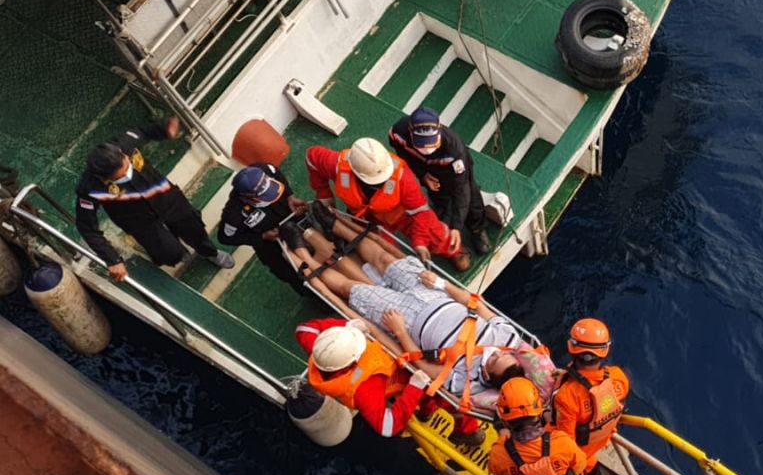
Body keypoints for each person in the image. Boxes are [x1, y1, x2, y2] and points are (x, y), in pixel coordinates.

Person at [282, 219, 522, 363]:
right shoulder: (509, 338)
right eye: (504, 357)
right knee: (387, 260)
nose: (498, 355)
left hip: (409, 323)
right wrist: (441, 284)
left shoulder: (466, 381)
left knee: (354, 289)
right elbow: (476, 304)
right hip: (435, 295)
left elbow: (422, 366)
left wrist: (400, 332)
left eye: (497, 362)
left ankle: (304, 252)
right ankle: (332, 224)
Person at [76, 117, 234, 282]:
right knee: (170, 253)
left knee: (194, 229)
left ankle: (208, 252)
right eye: (121, 177)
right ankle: (179, 254)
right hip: (140, 222)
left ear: (122, 154)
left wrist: (165, 129)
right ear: (103, 178)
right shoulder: (89, 188)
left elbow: (144, 131)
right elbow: (86, 227)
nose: (128, 175)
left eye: (128, 166)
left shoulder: (125, 144)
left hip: (167, 199)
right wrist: (112, 259)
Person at [299, 318, 484, 445]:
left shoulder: (322, 351)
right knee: (445, 398)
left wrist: (349, 326)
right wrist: (414, 387)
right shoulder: (365, 388)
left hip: (401, 374)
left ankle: (426, 412)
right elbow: (388, 427)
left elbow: (304, 329)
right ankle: (467, 432)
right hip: (404, 381)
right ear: (353, 358)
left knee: (426, 400)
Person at [305, 138, 470, 271]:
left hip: (402, 214)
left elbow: (420, 212)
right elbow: (311, 157)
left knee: (435, 231)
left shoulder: (402, 177)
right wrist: (323, 193)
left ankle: (453, 250)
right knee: (383, 256)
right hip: (366, 219)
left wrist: (419, 242)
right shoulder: (337, 165)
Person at [488, 378, 593, 475]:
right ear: (538, 412)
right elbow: (581, 465)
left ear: (505, 420)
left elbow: (495, 470)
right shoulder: (561, 441)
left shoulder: (499, 455)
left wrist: (503, 437)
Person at [388, 107, 492, 255]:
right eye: (422, 144)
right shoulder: (398, 133)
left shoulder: (455, 149)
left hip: (452, 170)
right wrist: (422, 175)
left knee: (472, 198)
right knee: (438, 196)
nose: (427, 149)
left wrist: (456, 226)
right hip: (428, 170)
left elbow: (462, 188)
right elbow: (403, 154)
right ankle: (443, 213)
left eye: (431, 143)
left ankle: (477, 228)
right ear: (410, 133)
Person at [550, 318, 628, 475]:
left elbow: (566, 441)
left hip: (581, 447)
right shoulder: (618, 377)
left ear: (572, 348)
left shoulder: (567, 396)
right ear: (604, 351)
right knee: (590, 459)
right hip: (604, 436)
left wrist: (547, 415)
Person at [217, 163, 309, 292]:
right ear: (246, 198)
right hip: (273, 245)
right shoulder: (234, 214)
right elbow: (225, 237)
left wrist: (290, 196)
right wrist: (261, 236)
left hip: (295, 220)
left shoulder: (264, 168)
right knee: (296, 277)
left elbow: (276, 172)